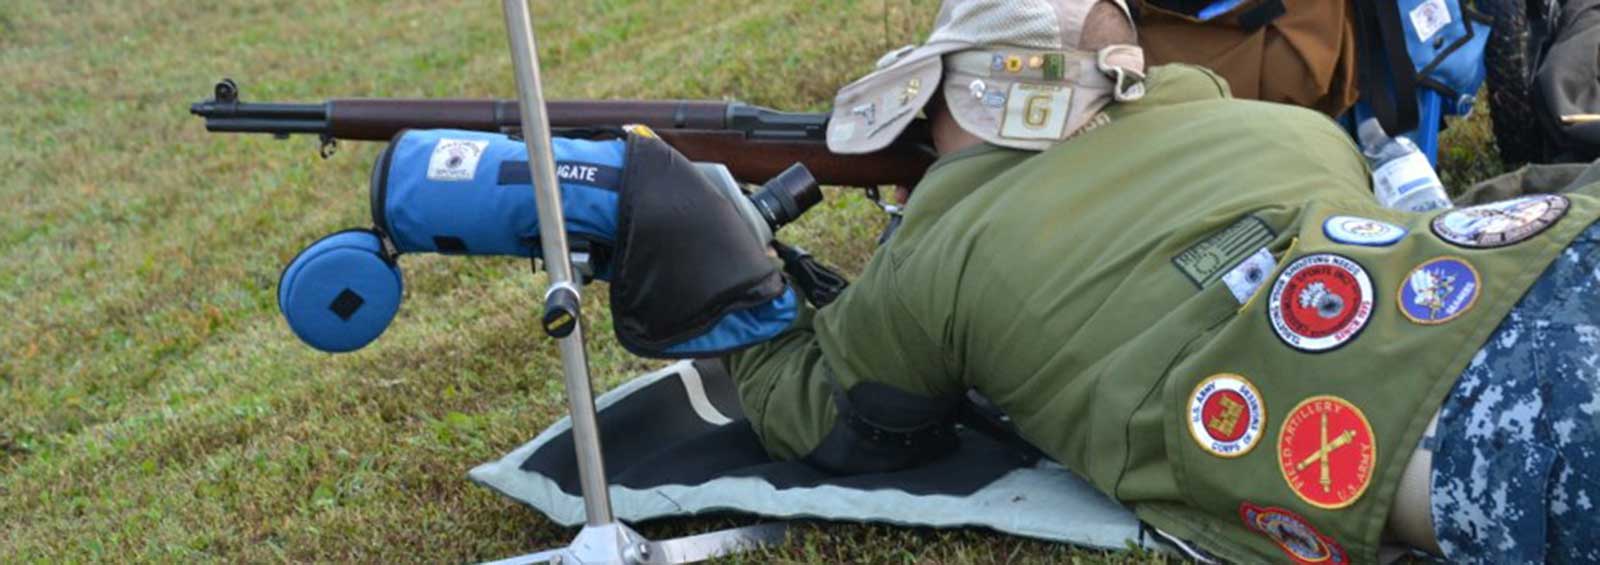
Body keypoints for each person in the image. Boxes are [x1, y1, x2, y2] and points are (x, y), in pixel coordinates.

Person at [722, 0, 1600, 563]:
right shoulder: (1282, 129)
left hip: (1502, 422)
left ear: (958, 95)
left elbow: (830, 415)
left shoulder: (944, 249)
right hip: (1543, 257)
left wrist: (704, 256)